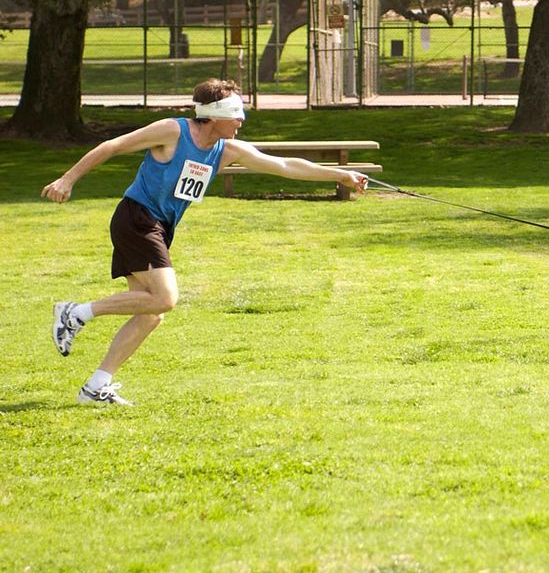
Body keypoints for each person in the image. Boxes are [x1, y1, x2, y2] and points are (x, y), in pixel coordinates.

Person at [41, 79, 369, 405]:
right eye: (236, 113)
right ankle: (76, 313)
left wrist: (340, 175)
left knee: (151, 311)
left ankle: (96, 387)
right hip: (138, 219)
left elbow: (284, 166)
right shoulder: (173, 131)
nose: (242, 120)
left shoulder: (227, 150)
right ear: (213, 115)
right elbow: (113, 145)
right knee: (165, 299)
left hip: (159, 226)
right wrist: (68, 179)